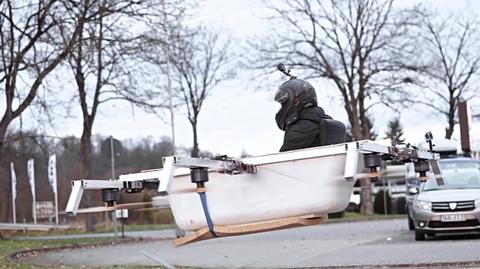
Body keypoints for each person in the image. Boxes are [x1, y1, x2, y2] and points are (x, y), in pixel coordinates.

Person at [274, 78, 345, 152]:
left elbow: (284, 159)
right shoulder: (323, 120)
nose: (280, 109)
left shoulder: (302, 128)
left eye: (282, 104)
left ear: (294, 102)